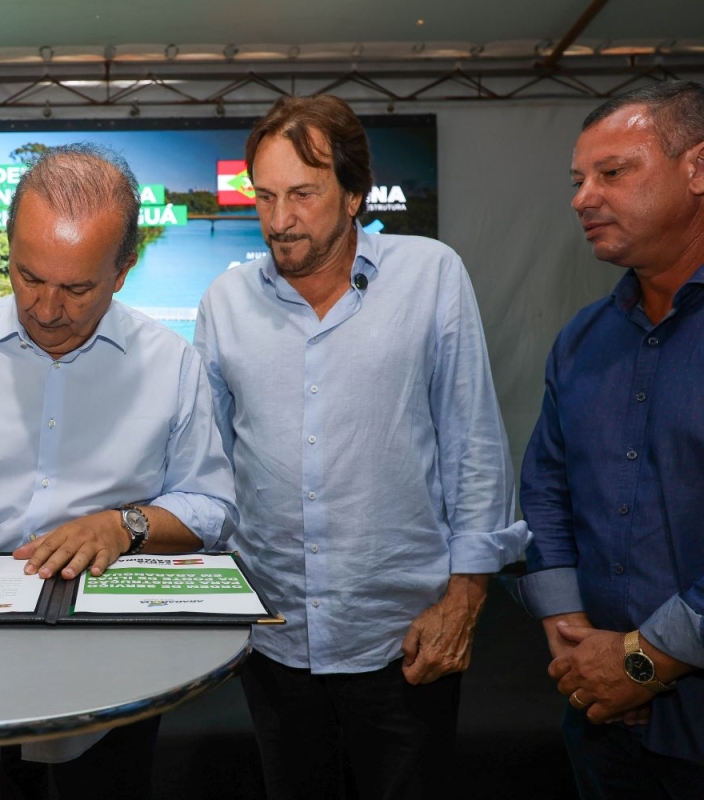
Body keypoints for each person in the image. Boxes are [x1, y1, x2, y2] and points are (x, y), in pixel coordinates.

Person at [0, 144, 235, 800]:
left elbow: (213, 507)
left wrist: (125, 526)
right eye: (28, 277)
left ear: (123, 270)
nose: (47, 308)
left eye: (77, 288)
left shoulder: (172, 365)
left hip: (115, 658)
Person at [193, 95, 529, 800]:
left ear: (353, 196)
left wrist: (466, 600)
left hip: (404, 639)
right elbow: (209, 467)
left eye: (303, 194)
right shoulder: (225, 303)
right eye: (265, 197)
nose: (279, 220)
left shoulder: (431, 275)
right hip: (274, 638)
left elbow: (473, 444)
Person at [518, 80, 704, 797]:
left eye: (612, 172)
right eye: (578, 180)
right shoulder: (582, 340)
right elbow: (546, 489)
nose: (582, 198)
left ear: (697, 168)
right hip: (599, 720)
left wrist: (644, 660)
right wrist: (572, 636)